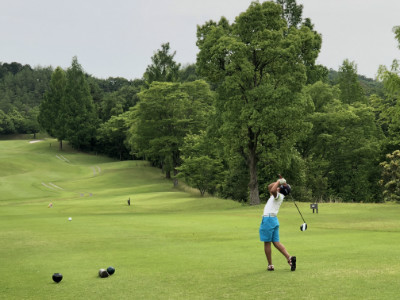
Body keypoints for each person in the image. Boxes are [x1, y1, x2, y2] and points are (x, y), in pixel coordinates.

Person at [259, 177, 296, 271]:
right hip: (274, 220)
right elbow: (270, 187)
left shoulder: (277, 196)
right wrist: (280, 183)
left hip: (268, 220)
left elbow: (272, 189)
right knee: (276, 242)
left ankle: (270, 265)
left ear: (280, 189)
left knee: (267, 242)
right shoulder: (279, 195)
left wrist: (279, 182)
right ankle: (289, 258)